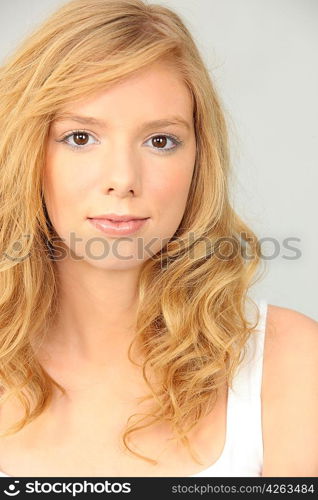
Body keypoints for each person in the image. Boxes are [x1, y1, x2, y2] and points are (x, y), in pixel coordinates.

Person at [0, 0, 317, 478]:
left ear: (198, 161)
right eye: (81, 138)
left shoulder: (293, 362)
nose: (123, 179)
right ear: (26, 153)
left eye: (160, 141)